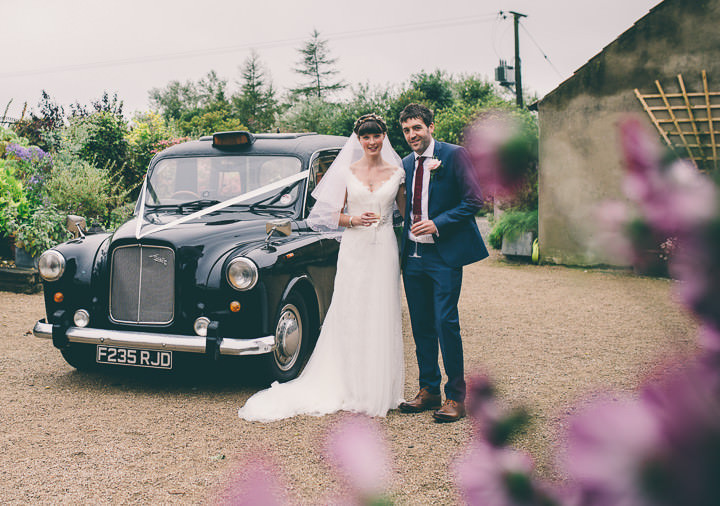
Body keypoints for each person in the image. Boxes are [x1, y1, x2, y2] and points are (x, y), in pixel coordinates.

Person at [238, 114, 406, 422]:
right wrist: (352, 220)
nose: (371, 142)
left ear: (384, 136)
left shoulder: (397, 172)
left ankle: (380, 387)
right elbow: (327, 215)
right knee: (351, 309)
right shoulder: (348, 171)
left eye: (377, 136)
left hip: (384, 247)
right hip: (355, 247)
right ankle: (351, 384)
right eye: (365, 137)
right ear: (358, 140)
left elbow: (406, 213)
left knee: (382, 310)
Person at [397, 103, 488, 423]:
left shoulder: (453, 155)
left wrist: (439, 223)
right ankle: (428, 390)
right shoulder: (405, 163)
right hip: (413, 257)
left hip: (444, 255)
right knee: (421, 325)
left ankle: (456, 396)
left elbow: (474, 200)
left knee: (445, 323)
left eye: (417, 128)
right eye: (407, 130)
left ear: (430, 127)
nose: (412, 135)